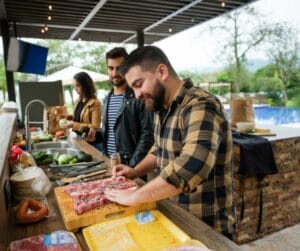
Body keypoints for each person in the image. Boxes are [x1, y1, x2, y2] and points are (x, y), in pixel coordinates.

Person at [104, 46, 236, 238]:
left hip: (206, 228)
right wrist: (134, 171)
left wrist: (135, 196)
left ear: (162, 71)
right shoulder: (160, 108)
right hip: (175, 219)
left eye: (139, 84)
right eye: (133, 88)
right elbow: (158, 150)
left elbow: (192, 165)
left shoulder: (200, 104)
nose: (138, 94)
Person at [85, 47, 154, 167]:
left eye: (119, 68)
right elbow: (113, 131)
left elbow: (148, 134)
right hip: (110, 163)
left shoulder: (138, 96)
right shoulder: (107, 98)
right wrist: (95, 137)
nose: (115, 73)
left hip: (131, 166)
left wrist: (132, 165)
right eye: (111, 68)